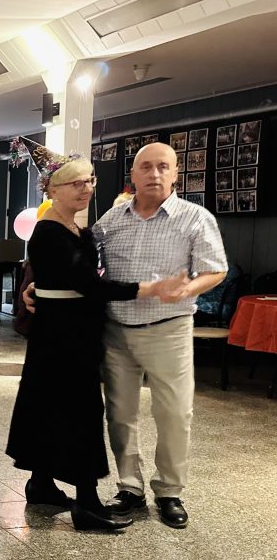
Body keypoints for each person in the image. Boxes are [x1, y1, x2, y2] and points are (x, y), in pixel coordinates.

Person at [6, 139, 185, 532]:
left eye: (89, 181)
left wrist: (38, 289)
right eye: (76, 183)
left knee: (52, 405)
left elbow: (69, 277)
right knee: (81, 410)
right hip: (63, 336)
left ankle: (41, 483)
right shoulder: (49, 232)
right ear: (53, 190)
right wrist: (148, 289)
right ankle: (86, 502)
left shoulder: (79, 229)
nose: (86, 188)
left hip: (70, 330)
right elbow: (88, 283)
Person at [97, 142, 227, 528]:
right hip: (117, 331)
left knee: (174, 412)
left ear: (175, 174)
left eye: (163, 167)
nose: (154, 174)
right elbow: (81, 261)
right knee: (120, 413)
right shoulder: (111, 219)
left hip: (169, 329)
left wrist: (188, 288)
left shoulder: (195, 217)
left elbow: (216, 269)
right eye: (146, 167)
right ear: (133, 175)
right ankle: (130, 487)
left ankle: (169, 490)